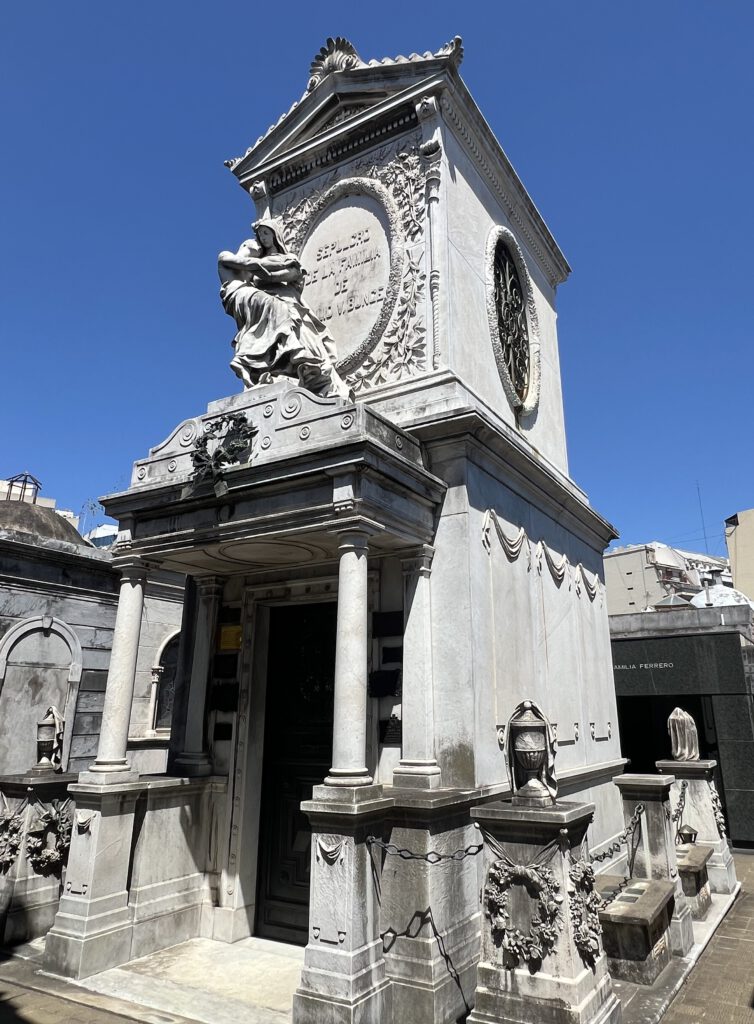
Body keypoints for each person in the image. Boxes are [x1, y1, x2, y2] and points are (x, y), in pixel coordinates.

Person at [218, 220, 351, 399]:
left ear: (275, 234)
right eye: (260, 235)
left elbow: (288, 275)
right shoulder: (259, 262)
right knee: (275, 323)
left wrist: (263, 270)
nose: (263, 238)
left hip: (288, 301)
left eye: (266, 233)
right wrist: (255, 263)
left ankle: (312, 378)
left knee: (302, 337)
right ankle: (271, 373)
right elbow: (240, 271)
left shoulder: (288, 259)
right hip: (268, 306)